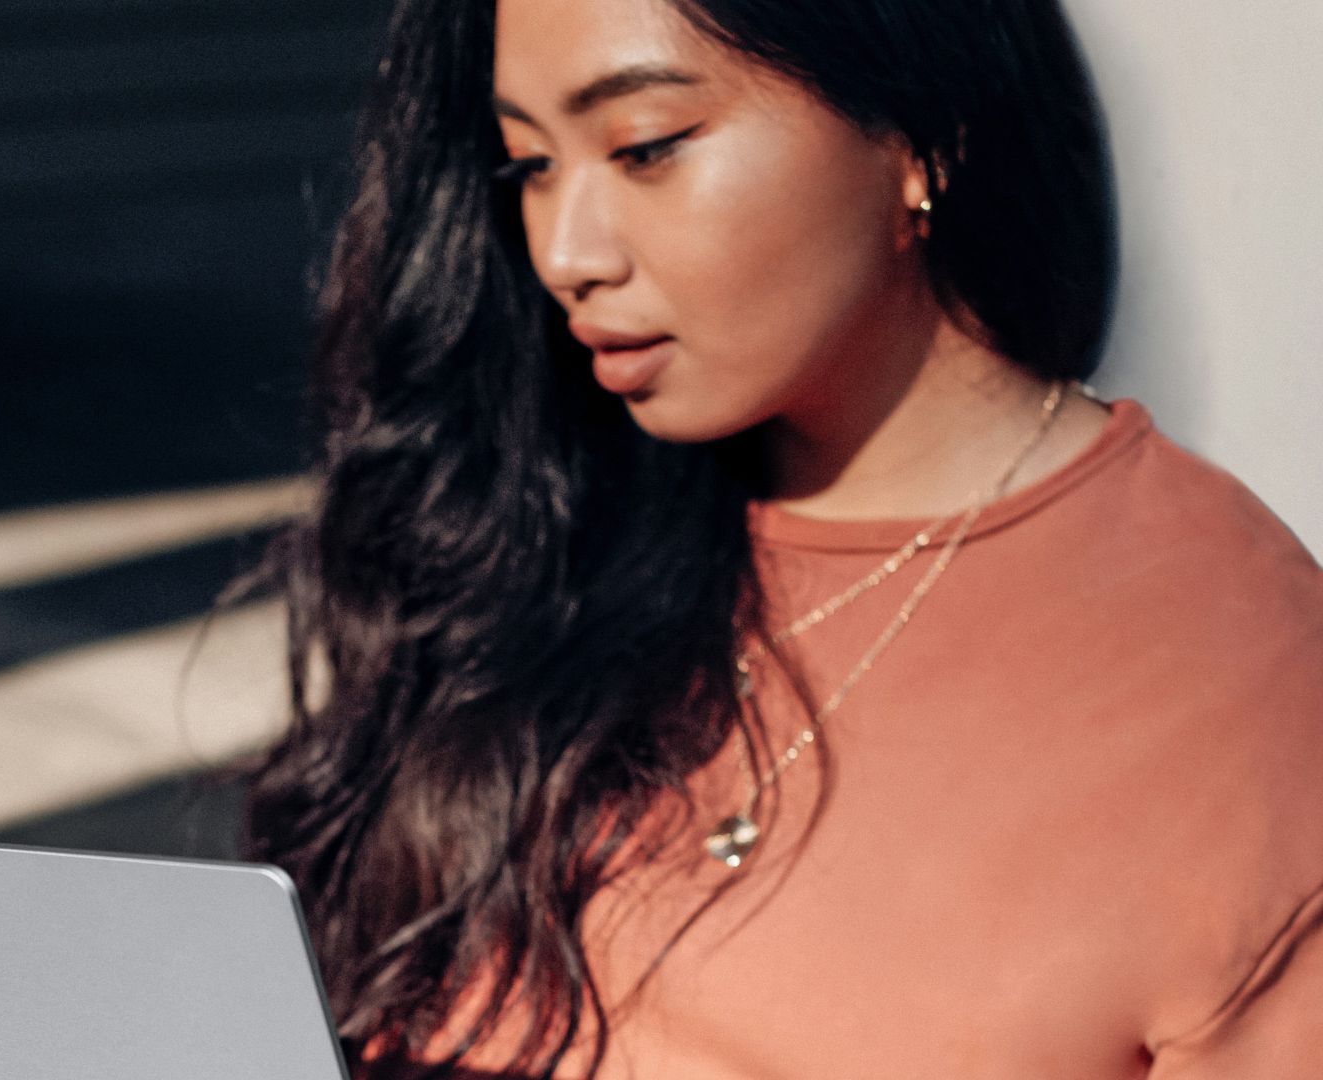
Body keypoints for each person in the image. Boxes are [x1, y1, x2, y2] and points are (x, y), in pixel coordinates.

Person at [237, 0, 1323, 1075]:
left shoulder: (1237, 688)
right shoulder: (539, 535)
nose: (566, 252)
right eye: (528, 165)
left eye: (644, 148)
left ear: (918, 138)